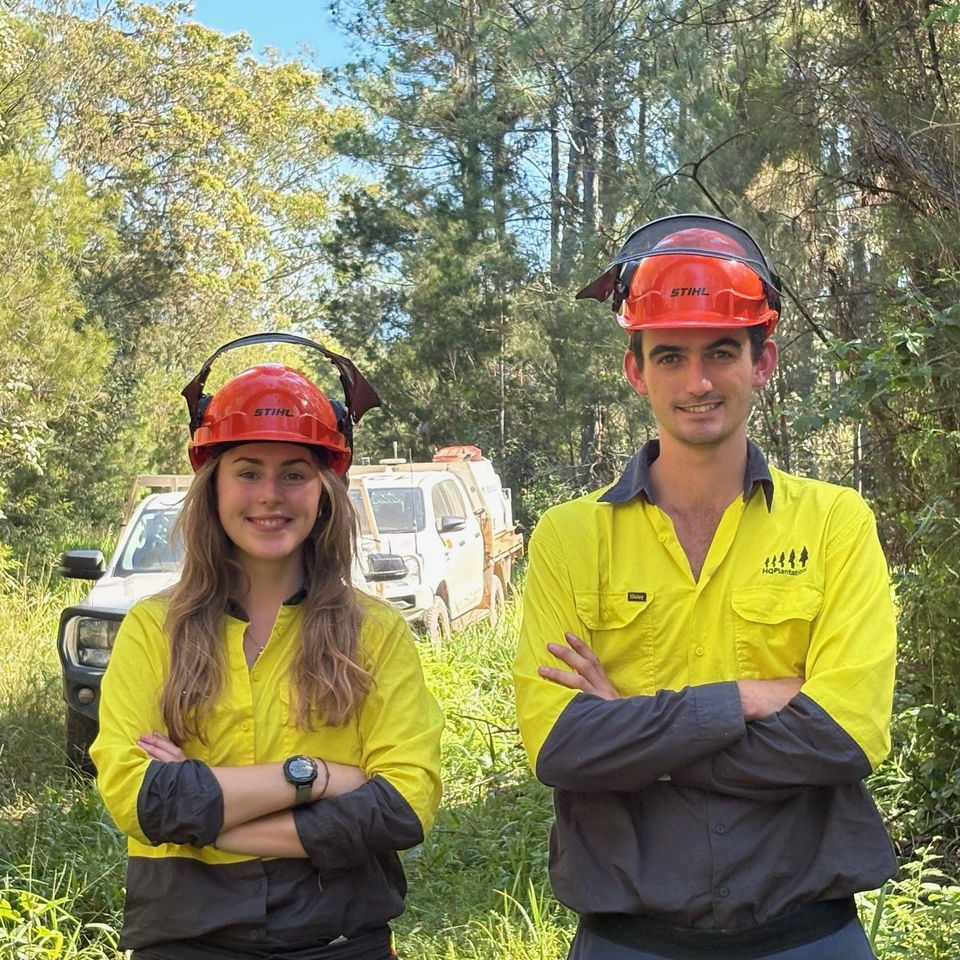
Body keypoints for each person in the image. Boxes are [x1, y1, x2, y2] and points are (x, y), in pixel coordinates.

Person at [513, 215, 897, 959]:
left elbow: (844, 735)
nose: (697, 382)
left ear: (764, 360)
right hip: (630, 938)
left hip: (808, 932)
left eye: (722, 351)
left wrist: (630, 724)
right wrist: (745, 699)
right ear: (636, 371)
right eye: (670, 356)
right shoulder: (568, 537)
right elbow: (560, 745)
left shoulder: (835, 523)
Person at [92, 335, 444, 960]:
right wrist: (313, 776)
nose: (269, 495)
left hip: (338, 935)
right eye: (248, 471)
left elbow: (402, 807)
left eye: (294, 474)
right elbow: (137, 798)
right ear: (213, 486)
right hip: (185, 936)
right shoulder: (154, 629)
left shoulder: (375, 633)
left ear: (325, 492)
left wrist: (208, 819)